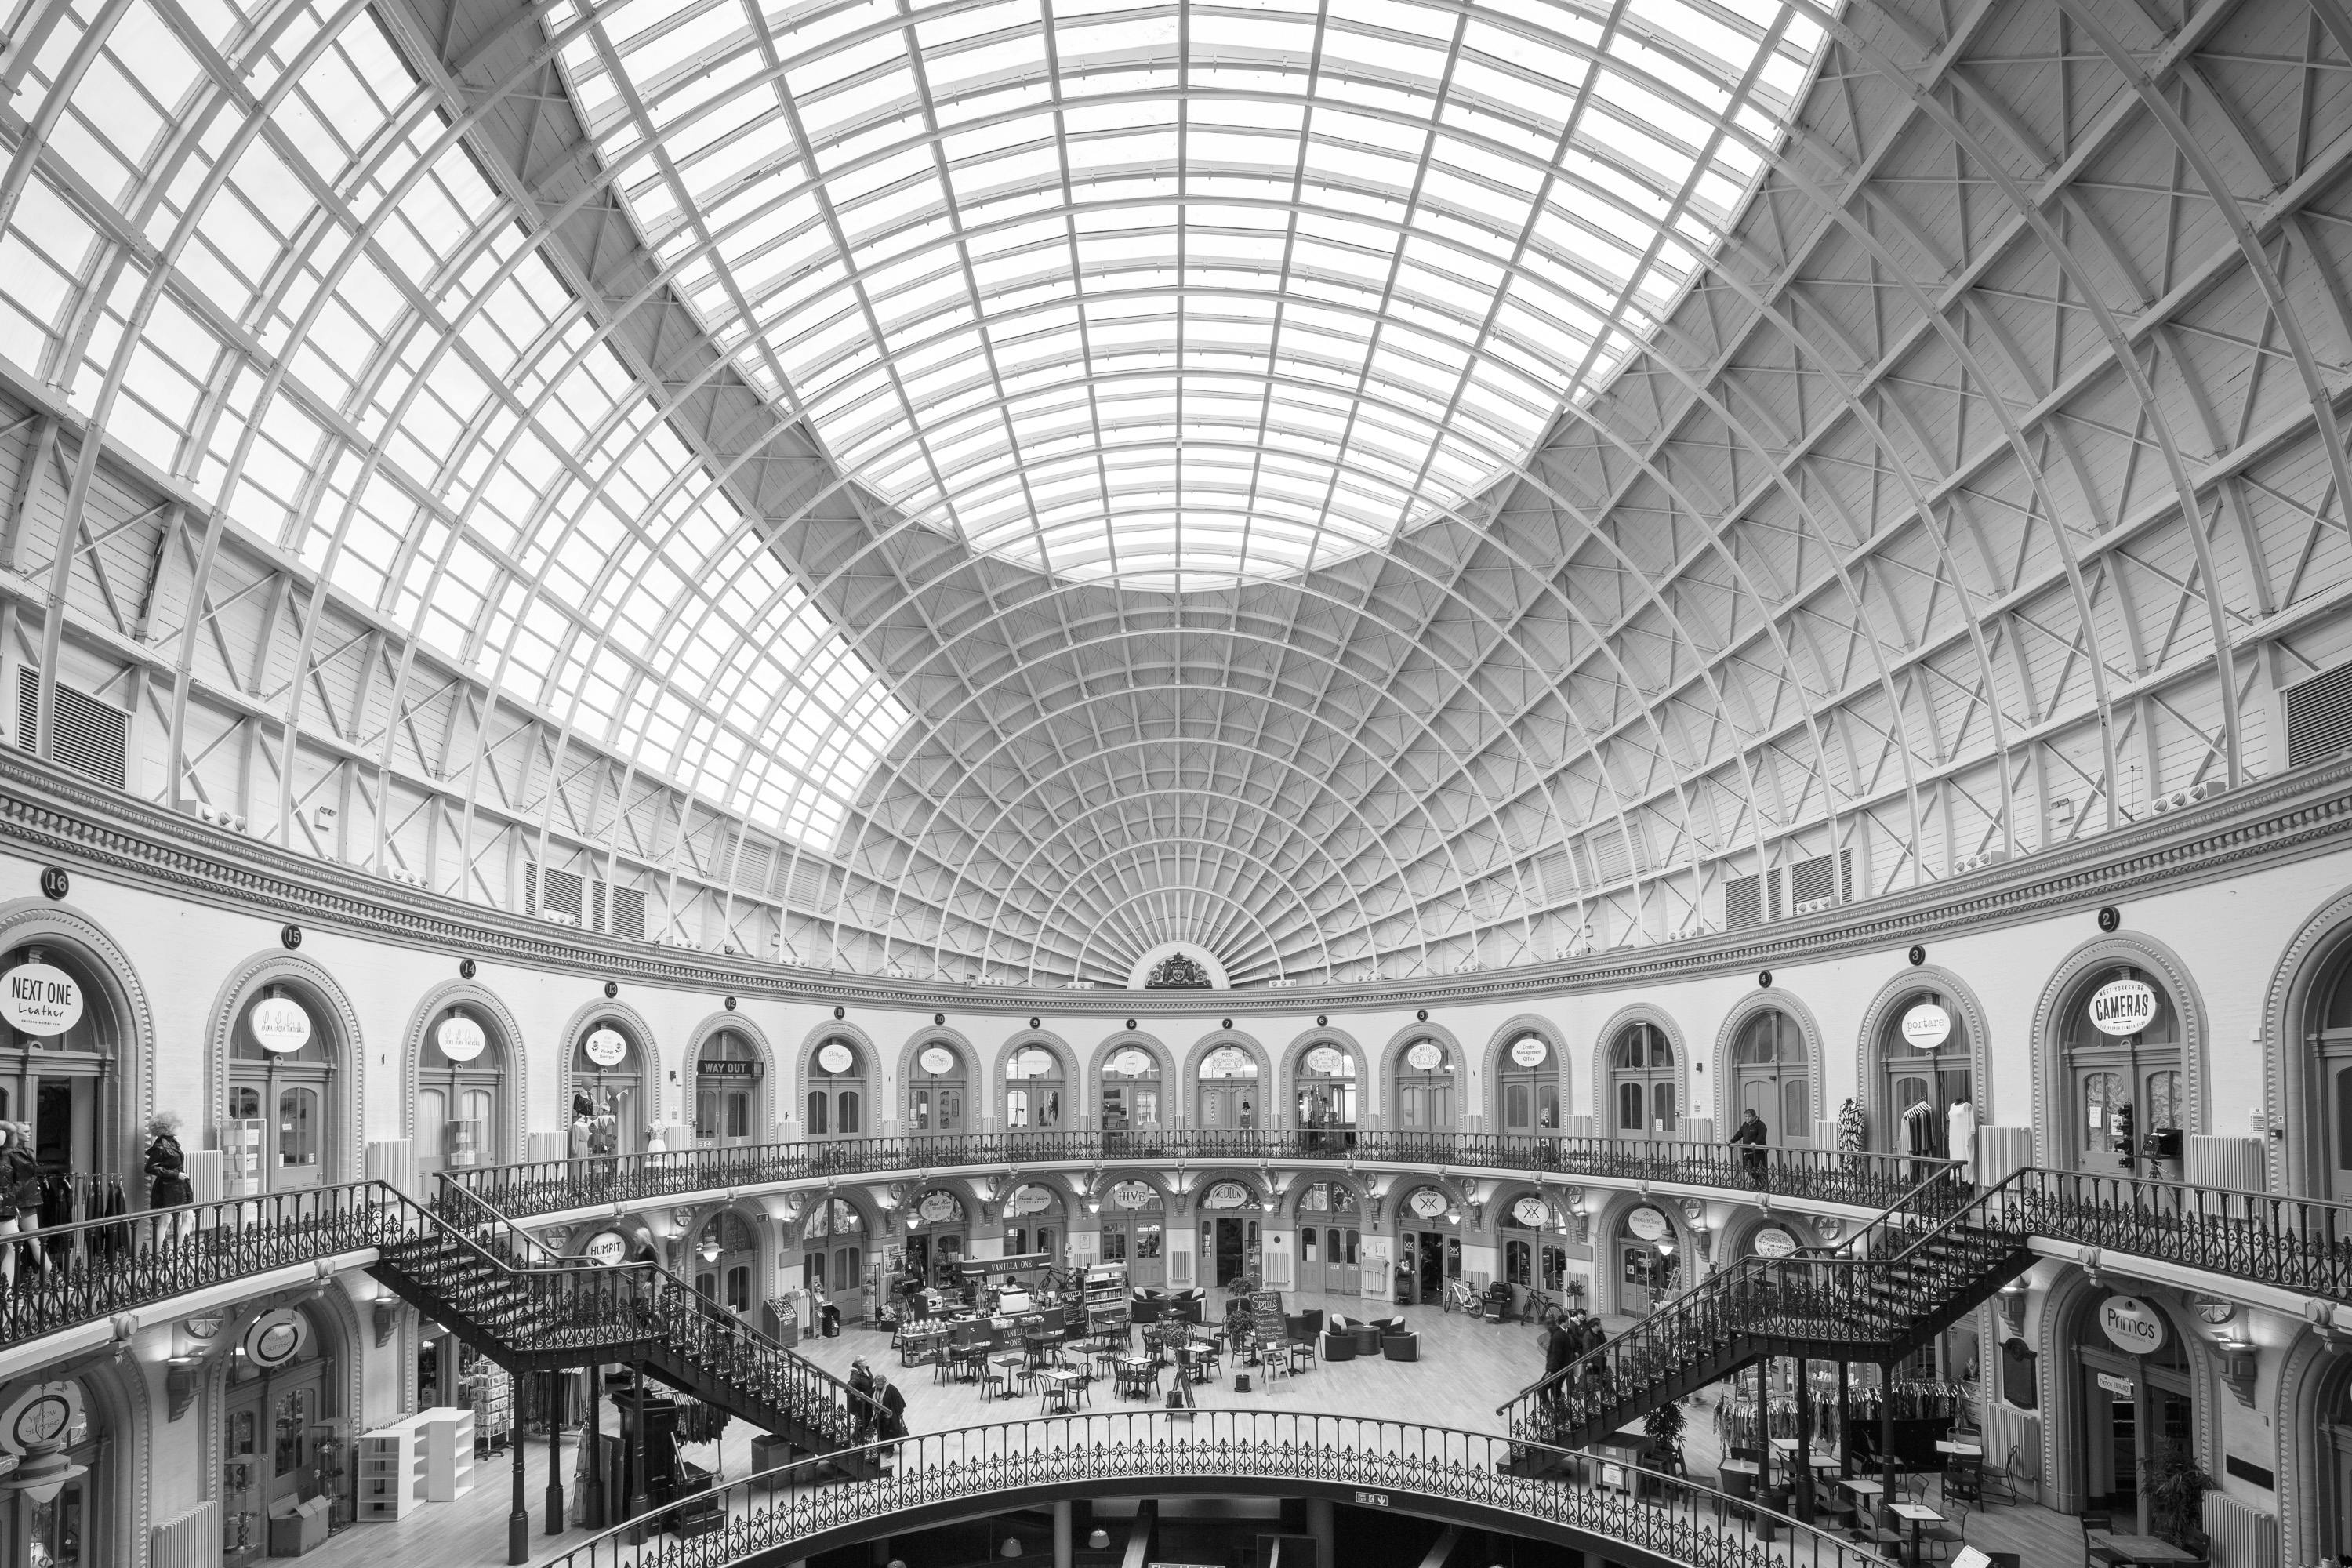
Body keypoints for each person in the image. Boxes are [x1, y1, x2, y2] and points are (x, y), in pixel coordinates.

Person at [145, 1111, 194, 1246]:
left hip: (181, 1186)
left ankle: (181, 1250)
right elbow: (150, 1168)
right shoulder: (160, 1146)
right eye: (176, 1125)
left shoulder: (173, 1142)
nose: (179, 1128)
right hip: (168, 1188)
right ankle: (159, 1255)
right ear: (168, 1127)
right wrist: (175, 1175)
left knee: (189, 1217)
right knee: (165, 1221)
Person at [1731, 1109, 1769, 1182]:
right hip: (1747, 1152)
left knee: (1760, 1170)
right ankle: (1756, 1183)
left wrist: (1755, 1143)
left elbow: (1762, 1136)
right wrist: (1732, 1140)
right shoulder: (1745, 1124)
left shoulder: (1760, 1124)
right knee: (1749, 1169)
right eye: (1746, 1116)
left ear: (1754, 1116)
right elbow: (1739, 1134)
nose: (1747, 1118)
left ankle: (1762, 1186)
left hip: (1758, 1153)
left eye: (1749, 1116)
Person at [848, 1355, 878, 1441]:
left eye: (866, 1359)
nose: (866, 1361)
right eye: (864, 1360)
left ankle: (860, 1436)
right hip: (860, 1402)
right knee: (864, 1418)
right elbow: (849, 1387)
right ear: (859, 1364)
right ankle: (857, 1438)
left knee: (868, 1417)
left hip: (867, 1398)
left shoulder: (866, 1370)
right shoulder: (856, 1375)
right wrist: (858, 1394)